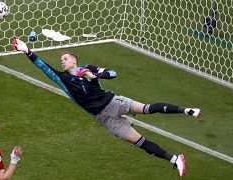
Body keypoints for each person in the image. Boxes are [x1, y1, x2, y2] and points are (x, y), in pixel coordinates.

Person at [12, 38, 201, 177]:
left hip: (114, 102)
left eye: (66, 58)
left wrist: (95, 77)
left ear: (74, 60)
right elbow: (42, 66)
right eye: (62, 59)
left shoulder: (89, 68)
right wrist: (26, 50)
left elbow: (113, 73)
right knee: (140, 143)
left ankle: (187, 110)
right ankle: (175, 159)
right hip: (104, 118)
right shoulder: (63, 78)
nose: (63, 61)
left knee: (147, 108)